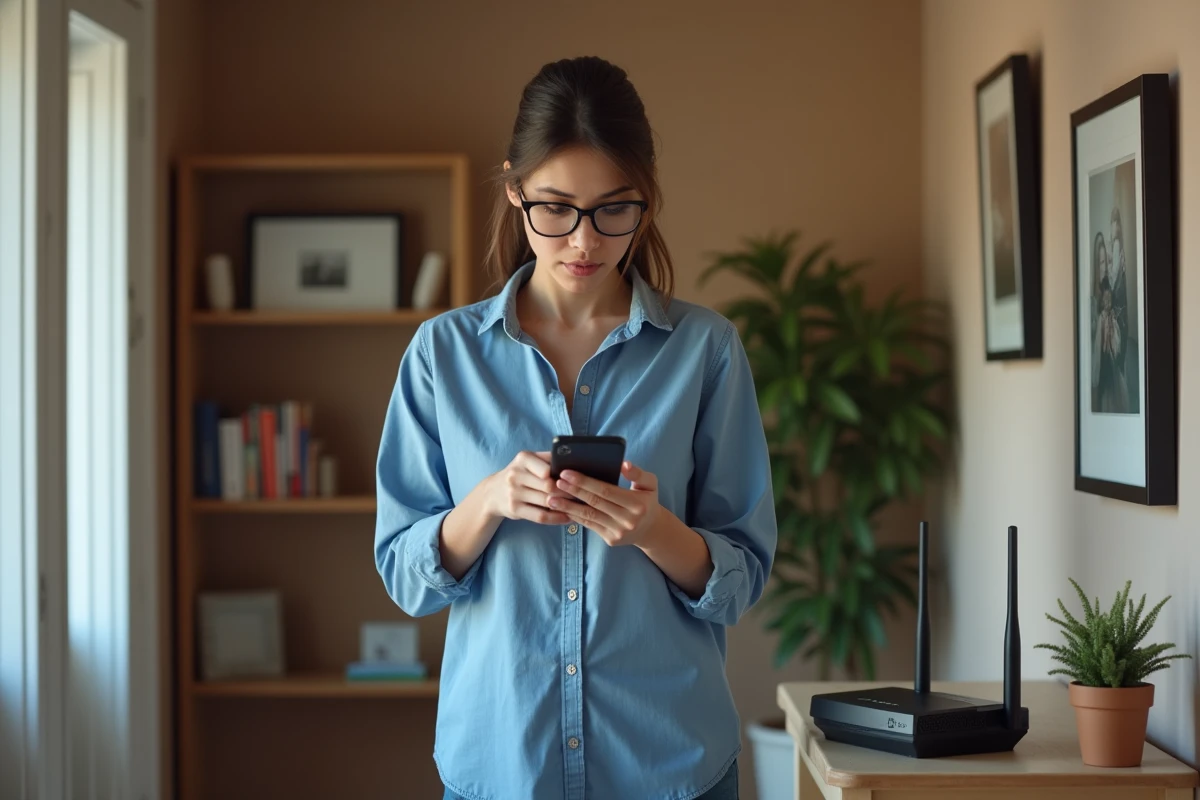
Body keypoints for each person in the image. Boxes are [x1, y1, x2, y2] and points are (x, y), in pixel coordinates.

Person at [373, 56, 777, 800]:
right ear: (514, 192)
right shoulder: (441, 354)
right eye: (554, 209)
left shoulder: (705, 350)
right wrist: (489, 500)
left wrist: (654, 528)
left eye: (613, 210)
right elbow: (405, 575)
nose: (583, 242)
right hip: (500, 764)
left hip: (670, 762)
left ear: (646, 204)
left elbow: (741, 575)